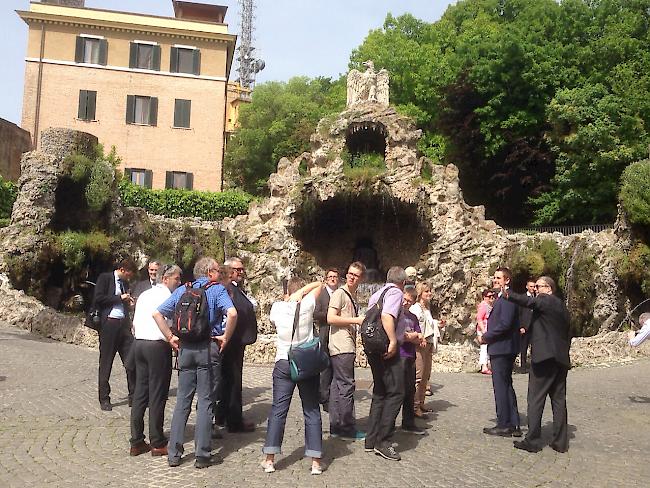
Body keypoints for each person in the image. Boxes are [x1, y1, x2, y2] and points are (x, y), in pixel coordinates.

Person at [153, 257, 237, 469]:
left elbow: (157, 313)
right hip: (207, 349)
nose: (220, 273)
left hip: (185, 350)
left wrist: (171, 338)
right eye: (218, 270)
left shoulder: (183, 289)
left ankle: (174, 453)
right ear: (210, 272)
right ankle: (202, 454)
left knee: (183, 400)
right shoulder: (217, 290)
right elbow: (232, 313)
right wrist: (226, 337)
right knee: (206, 401)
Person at [262, 277, 324, 475]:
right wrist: (303, 292)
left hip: (283, 362)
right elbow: (320, 285)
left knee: (278, 411)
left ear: (286, 291)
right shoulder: (307, 304)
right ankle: (315, 462)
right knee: (311, 410)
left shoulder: (277, 307)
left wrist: (293, 295)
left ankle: (269, 459)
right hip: (305, 362)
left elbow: (274, 321)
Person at [504, 276, 571, 453]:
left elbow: (526, 301)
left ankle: (533, 440)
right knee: (558, 400)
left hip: (544, 358)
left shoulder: (545, 300)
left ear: (549, 288)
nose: (535, 290)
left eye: (538, 287)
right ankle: (560, 442)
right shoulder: (562, 307)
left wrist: (507, 293)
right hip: (561, 359)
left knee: (535, 398)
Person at [129, 264, 182, 457]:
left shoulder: (144, 294)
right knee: (158, 394)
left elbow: (135, 322)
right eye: (176, 279)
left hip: (139, 344)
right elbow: (169, 322)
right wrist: (172, 337)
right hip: (157, 346)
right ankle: (157, 442)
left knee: (140, 393)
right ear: (165, 279)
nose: (179, 282)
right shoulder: (167, 296)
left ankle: (136, 441)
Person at [363, 266, 407, 461]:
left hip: (373, 347)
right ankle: (384, 440)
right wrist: (393, 341)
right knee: (397, 392)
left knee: (380, 391)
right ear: (403, 282)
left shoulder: (377, 293)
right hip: (386, 348)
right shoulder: (396, 292)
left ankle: (371, 438)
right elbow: (387, 316)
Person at [479, 267, 521, 437]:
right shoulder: (502, 298)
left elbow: (504, 324)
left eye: (498, 278)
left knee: (501, 387)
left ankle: (504, 423)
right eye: (494, 277)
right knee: (506, 385)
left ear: (507, 280)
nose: (495, 280)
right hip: (503, 348)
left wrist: (486, 337)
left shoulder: (508, 298)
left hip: (502, 348)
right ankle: (513, 423)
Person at [217, 257, 257, 433]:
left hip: (235, 342)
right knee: (230, 380)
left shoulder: (235, 289)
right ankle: (232, 419)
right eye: (236, 269)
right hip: (231, 342)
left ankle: (226, 417)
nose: (240, 272)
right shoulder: (227, 289)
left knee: (229, 380)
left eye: (242, 269)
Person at [326, 261, 366, 440]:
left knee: (336, 386)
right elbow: (330, 318)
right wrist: (356, 320)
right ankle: (347, 428)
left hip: (342, 345)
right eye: (350, 273)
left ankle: (336, 426)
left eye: (355, 275)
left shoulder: (352, 295)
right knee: (347, 386)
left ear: (361, 278)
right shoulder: (340, 294)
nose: (351, 277)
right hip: (342, 345)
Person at [94, 258, 137, 412]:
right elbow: (98, 298)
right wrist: (119, 298)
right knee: (106, 362)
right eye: (129, 274)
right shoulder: (105, 278)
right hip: (109, 324)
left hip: (123, 326)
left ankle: (134, 396)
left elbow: (124, 303)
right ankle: (104, 398)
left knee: (131, 361)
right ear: (123, 270)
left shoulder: (125, 284)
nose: (129, 278)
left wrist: (129, 304)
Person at [410, 281, 445, 417]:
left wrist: (438, 324)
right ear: (420, 294)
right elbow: (414, 326)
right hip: (419, 345)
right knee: (418, 376)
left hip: (428, 344)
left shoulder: (427, 309)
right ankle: (415, 406)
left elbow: (428, 324)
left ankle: (421, 402)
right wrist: (419, 338)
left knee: (426, 375)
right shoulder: (415, 308)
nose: (429, 293)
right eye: (426, 291)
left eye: (430, 291)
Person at [396, 286, 426, 435]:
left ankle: (408, 422)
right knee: (397, 391)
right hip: (398, 356)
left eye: (409, 301)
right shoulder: (395, 314)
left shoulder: (413, 317)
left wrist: (412, 336)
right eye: (404, 299)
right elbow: (401, 336)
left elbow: (418, 339)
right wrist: (412, 336)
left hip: (410, 356)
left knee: (410, 390)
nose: (405, 303)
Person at [313, 268, 340, 409]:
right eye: (330, 276)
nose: (332, 279)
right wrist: (331, 314)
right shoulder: (321, 295)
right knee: (326, 367)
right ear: (326, 279)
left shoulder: (341, 293)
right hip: (325, 333)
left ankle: (334, 396)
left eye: (335, 276)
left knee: (336, 367)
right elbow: (316, 314)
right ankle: (324, 397)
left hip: (339, 335)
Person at [517, 279, 536, 373]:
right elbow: (519, 313)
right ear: (527, 287)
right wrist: (521, 326)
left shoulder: (537, 298)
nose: (533, 288)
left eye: (534, 286)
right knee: (523, 348)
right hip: (525, 327)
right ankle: (523, 367)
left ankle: (534, 366)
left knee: (535, 347)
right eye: (531, 286)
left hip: (535, 327)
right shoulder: (522, 298)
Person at [476, 289, 496, 375]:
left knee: (488, 347)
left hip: (489, 329)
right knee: (484, 347)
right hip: (484, 329)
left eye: (492, 296)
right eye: (489, 296)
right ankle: (484, 366)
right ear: (484, 297)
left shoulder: (490, 305)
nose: (491, 298)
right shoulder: (483, 306)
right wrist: (483, 330)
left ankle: (487, 365)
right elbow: (479, 318)